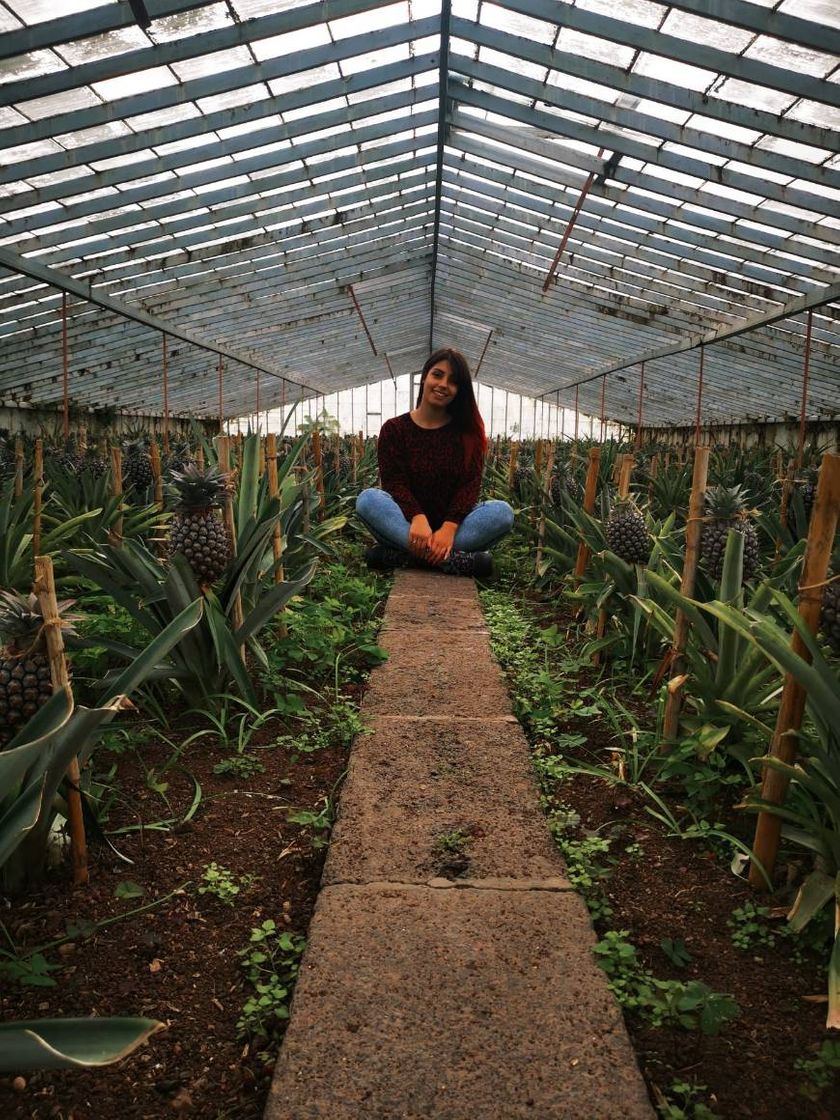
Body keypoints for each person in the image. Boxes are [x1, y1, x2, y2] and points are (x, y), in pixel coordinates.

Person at [355, 348, 514, 577]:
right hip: (407, 525)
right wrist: (417, 518)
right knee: (367, 499)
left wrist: (449, 528)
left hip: (455, 530)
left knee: (503, 513)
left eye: (453, 381)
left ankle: (403, 557)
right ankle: (453, 560)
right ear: (425, 377)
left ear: (459, 390)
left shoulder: (467, 434)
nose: (443, 384)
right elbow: (394, 483)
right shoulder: (395, 429)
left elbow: (469, 487)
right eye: (437, 375)